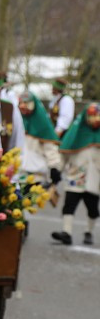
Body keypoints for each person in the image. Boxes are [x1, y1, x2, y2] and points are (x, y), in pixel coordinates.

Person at [52, 102, 100, 246]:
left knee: (93, 209)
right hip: (75, 178)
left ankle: (89, 231)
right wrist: (57, 169)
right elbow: (64, 155)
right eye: (92, 116)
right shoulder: (75, 136)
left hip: (94, 180)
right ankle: (67, 232)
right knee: (69, 206)